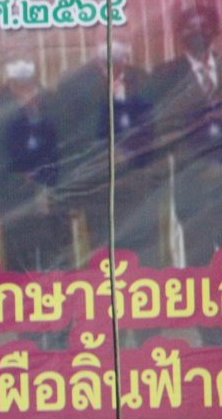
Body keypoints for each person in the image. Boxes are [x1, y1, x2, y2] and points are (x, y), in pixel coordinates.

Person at [148, 6, 222, 344]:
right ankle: (208, 330)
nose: (197, 32)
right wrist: (203, 166)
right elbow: (164, 129)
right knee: (199, 260)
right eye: (189, 27)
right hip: (193, 186)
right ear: (179, 34)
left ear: (215, 30)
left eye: (203, 25)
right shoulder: (165, 76)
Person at [55, 34, 160, 272]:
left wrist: (136, 156)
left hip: (138, 178)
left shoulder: (142, 78)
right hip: (99, 183)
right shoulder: (74, 84)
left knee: (142, 248)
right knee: (104, 249)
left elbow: (153, 126)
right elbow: (71, 136)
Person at [0, 58, 70, 274]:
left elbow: (64, 142)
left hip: (50, 190)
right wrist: (19, 175)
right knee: (18, 261)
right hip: (14, 193)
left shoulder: (51, 99)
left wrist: (45, 175)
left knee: (54, 258)